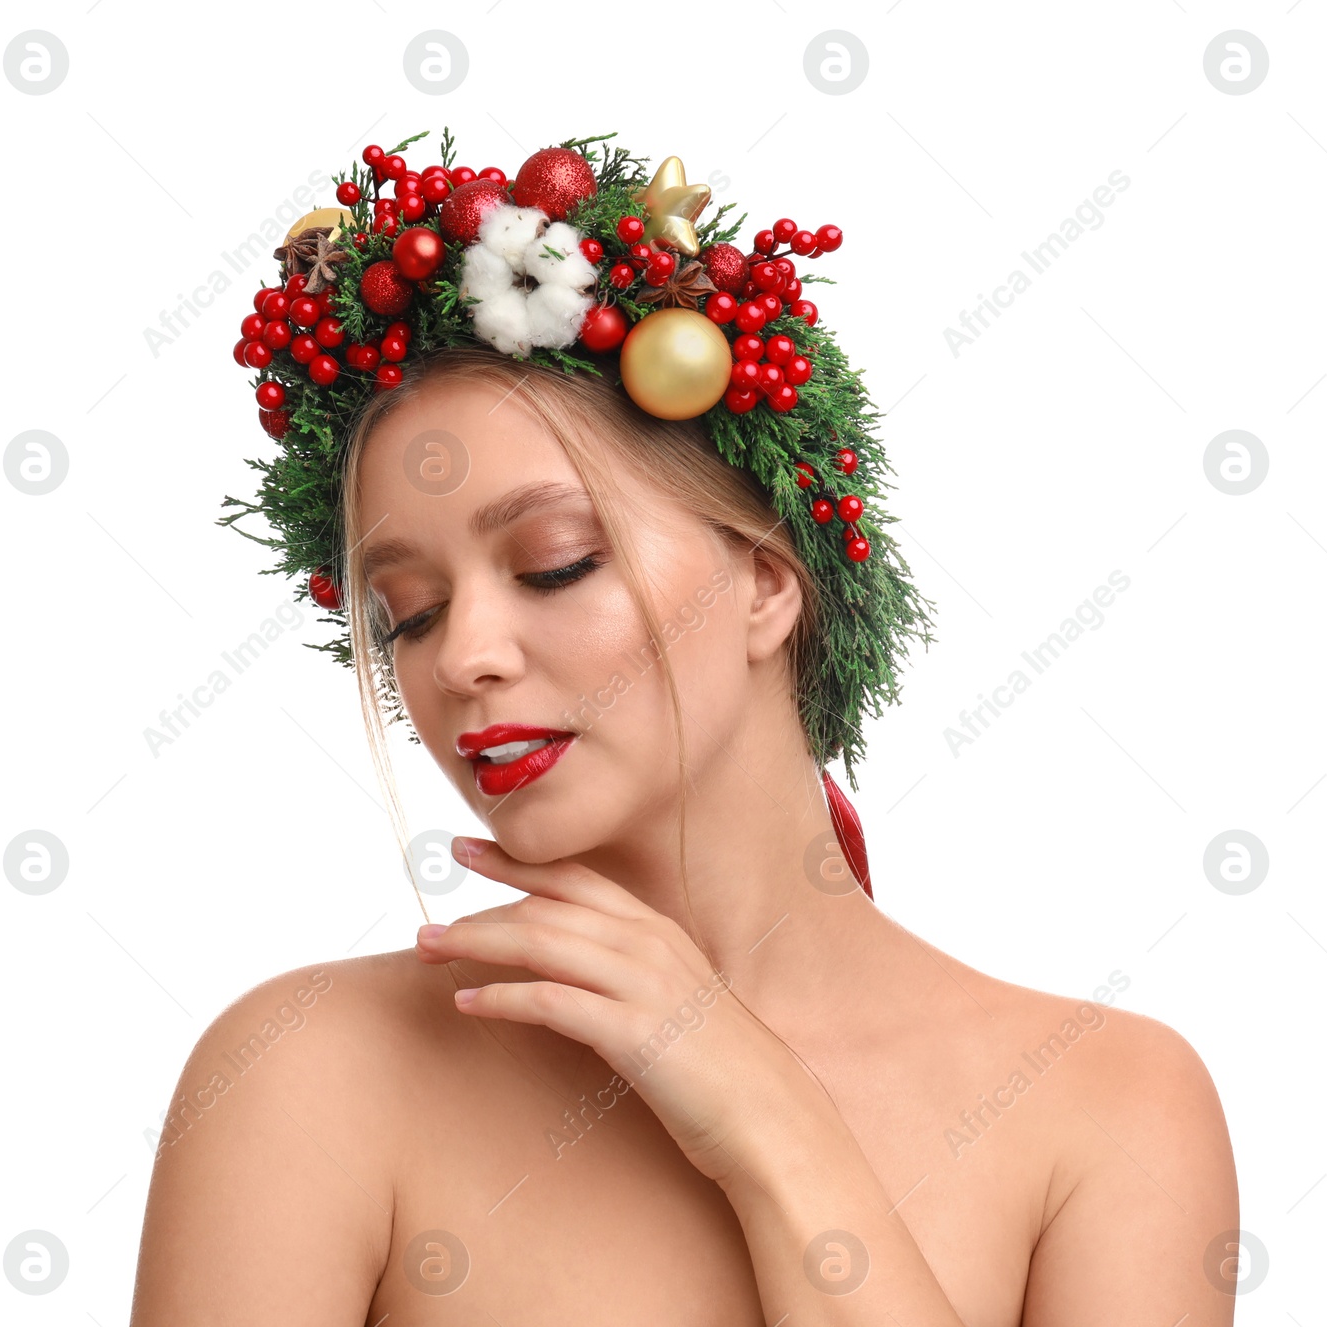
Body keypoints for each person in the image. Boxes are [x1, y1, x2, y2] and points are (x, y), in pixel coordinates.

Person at [129, 132, 1239, 1325]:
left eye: (553, 565)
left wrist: (767, 1121)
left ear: (766, 584)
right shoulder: (303, 1080)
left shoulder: (1107, 1109)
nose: (461, 659)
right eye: (409, 613)